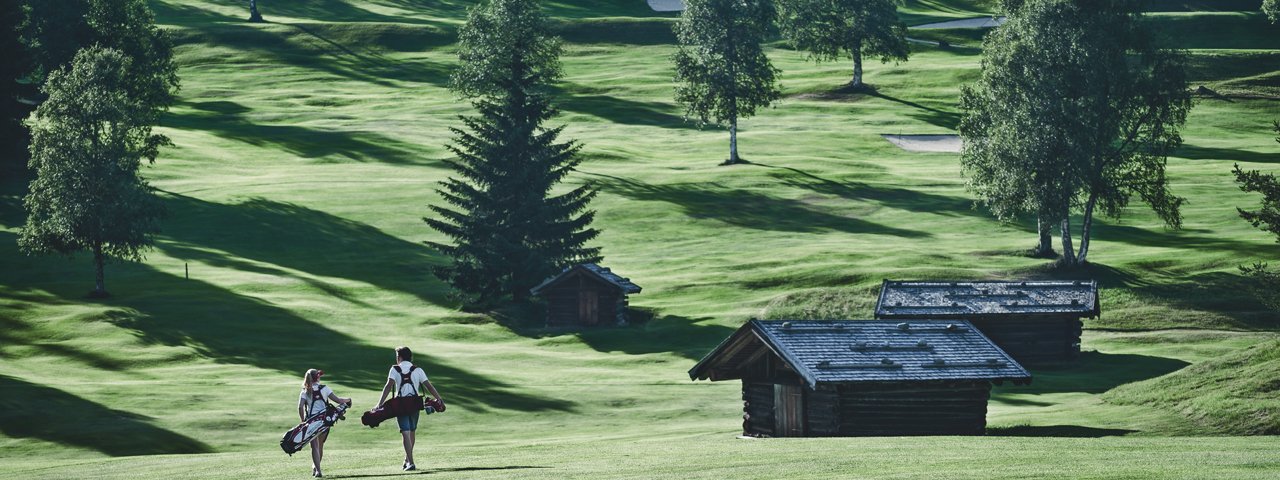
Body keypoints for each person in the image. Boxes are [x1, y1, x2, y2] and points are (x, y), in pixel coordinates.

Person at [376, 346, 444, 472]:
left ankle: (411, 463)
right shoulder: (417, 369)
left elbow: (388, 387)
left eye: (397, 356)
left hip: (400, 404)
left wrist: (379, 404)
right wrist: (439, 399)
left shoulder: (394, 369)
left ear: (399, 357)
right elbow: (429, 386)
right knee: (412, 431)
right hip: (415, 404)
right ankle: (407, 460)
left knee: (405, 433)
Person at [299, 369, 352, 478]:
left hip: (311, 422)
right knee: (320, 446)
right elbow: (338, 400)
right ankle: (315, 467)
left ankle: (317, 470)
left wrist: (302, 421)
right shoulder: (325, 388)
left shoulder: (305, 391)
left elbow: (300, 407)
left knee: (314, 447)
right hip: (324, 421)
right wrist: (348, 399)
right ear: (317, 377)